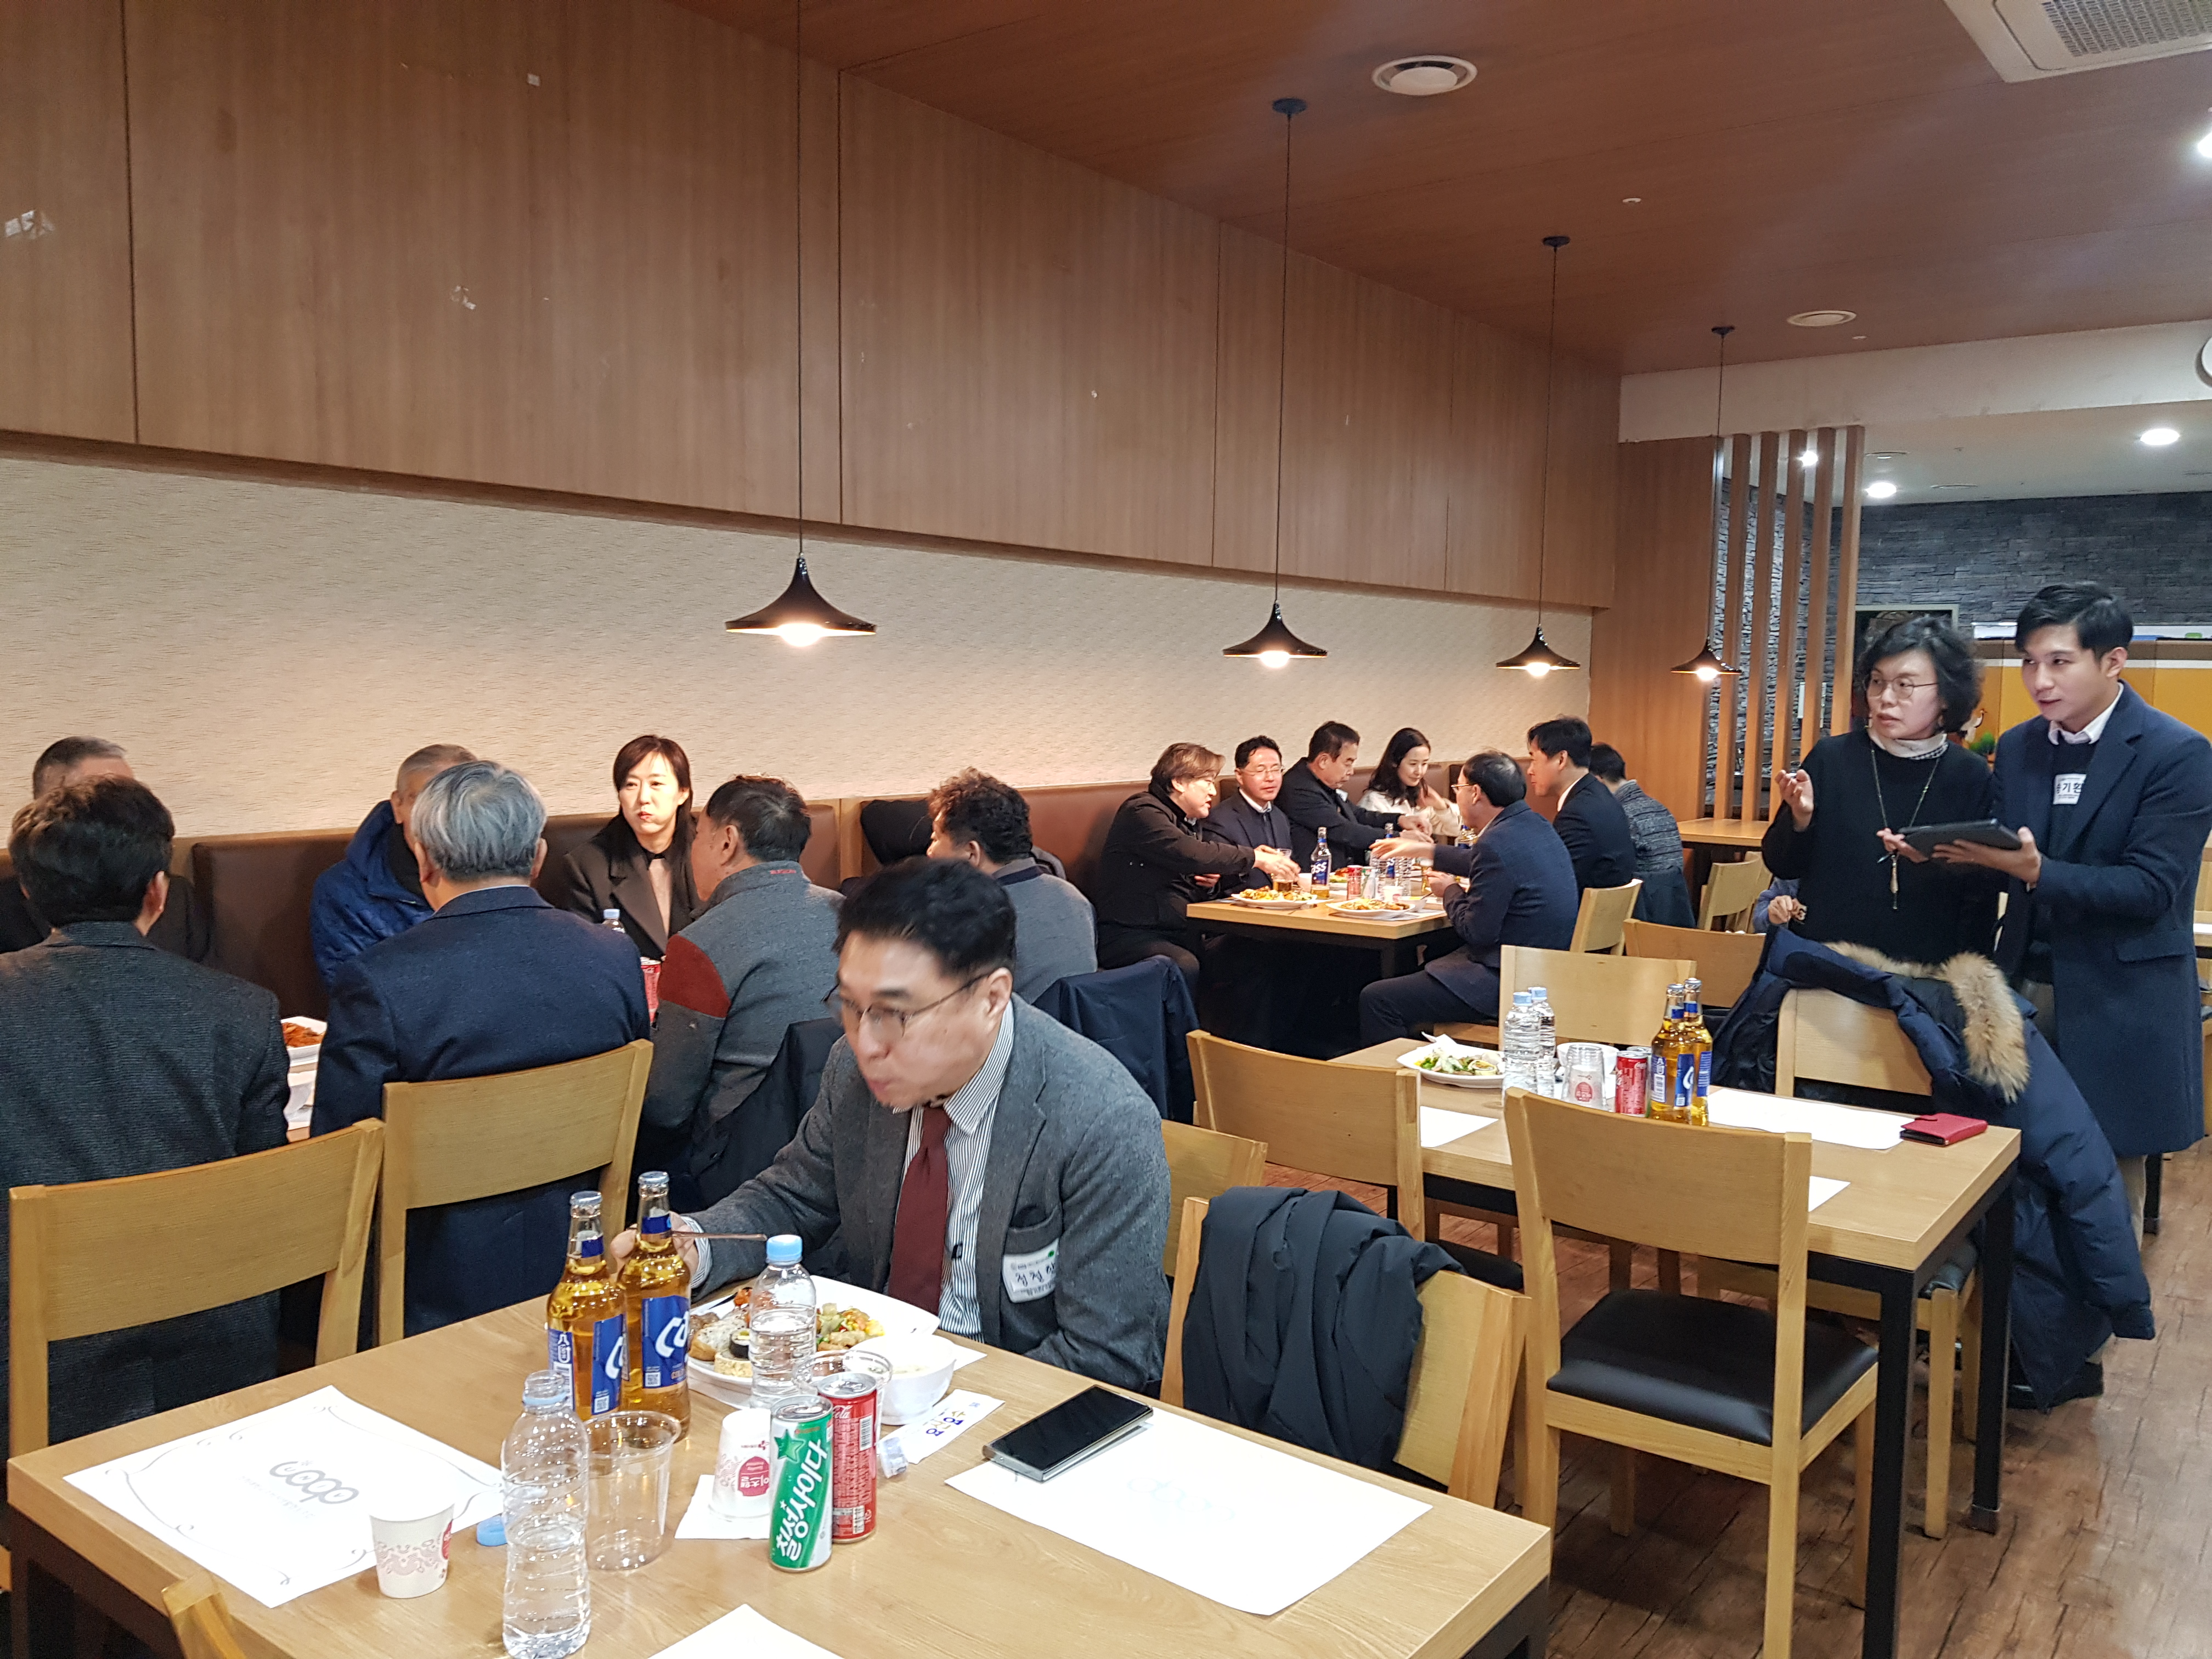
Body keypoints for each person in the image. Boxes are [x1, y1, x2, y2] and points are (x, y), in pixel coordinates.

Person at [615, 858, 1171, 1390]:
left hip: (1005, 1405)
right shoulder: (852, 1072)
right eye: (850, 1006)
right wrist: (694, 1246)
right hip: (864, 1385)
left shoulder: (1099, 1121)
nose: (865, 1043)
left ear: (991, 998)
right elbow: (792, 1199)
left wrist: (937, 1402)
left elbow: (1103, 1358)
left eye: (893, 1014)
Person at [312, 761, 648, 1335]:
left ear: (425, 860)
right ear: (538, 857)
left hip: (427, 1298)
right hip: (582, 1273)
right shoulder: (614, 958)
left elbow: (339, 1164)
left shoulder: (381, 981)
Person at [0, 777, 288, 1443]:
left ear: (30, 892)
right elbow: (268, 1195)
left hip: (34, 1360)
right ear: (158, 891)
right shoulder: (244, 1011)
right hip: (218, 1351)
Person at [1931, 583, 2212, 1238]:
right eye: (2030, 662)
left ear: (2113, 661)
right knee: (2008, 1163)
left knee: (2106, 1180)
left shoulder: (2176, 752)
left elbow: (2151, 889)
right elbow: (2007, 847)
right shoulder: (2022, 746)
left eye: (2059, 662)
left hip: (2121, 996)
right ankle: (2013, 1300)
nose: (2039, 680)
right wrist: (1945, 852)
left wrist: (2038, 873)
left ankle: (2100, 1303)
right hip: (2024, 984)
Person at [1762, 614, 1999, 965]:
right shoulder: (1831, 758)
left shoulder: (1971, 775)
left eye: (1905, 685)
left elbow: (1980, 894)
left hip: (1926, 971)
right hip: (1826, 963)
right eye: (1877, 682)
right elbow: (1782, 864)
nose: (1885, 698)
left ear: (1947, 696)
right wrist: (1801, 819)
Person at [643, 776, 842, 1144]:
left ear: (727, 843)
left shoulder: (700, 944)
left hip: (746, 1156)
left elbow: (666, 1106)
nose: (692, 849)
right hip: (847, 1138)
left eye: (698, 835)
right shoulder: (850, 915)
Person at [1358, 752, 1578, 1042]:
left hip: (1508, 979)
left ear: (1475, 793)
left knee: (1378, 998)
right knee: (1426, 967)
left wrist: (1449, 891)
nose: (1456, 797)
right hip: (1544, 969)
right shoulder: (1534, 824)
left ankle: (1395, 1072)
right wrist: (1425, 851)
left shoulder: (1496, 842)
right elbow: (1482, 861)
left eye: (1458, 789)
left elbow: (1477, 932)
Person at [1093, 743, 1297, 994]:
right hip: (1132, 934)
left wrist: (1210, 884)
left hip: (1182, 931)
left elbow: (1193, 867)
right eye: (1208, 782)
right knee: (1183, 965)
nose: (1213, 791)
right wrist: (1255, 857)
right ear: (1179, 782)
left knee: (1269, 949)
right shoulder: (1142, 811)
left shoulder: (1188, 821)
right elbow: (1189, 853)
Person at [2, 737, 208, 962]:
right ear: (46, 808)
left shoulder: (176, 895)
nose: (121, 811)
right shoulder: (7, 906)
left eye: (128, 797)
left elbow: (205, 977)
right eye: (93, 798)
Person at [310, 743, 477, 986]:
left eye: (457, 803)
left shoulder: (505, 871)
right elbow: (356, 994)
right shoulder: (345, 891)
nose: (440, 820)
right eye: (423, 803)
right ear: (398, 806)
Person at [926, 768, 1096, 1000]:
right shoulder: (1075, 898)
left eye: (936, 838)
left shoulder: (970, 918)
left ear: (971, 853)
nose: (930, 851)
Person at [560, 734, 705, 958]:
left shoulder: (714, 852)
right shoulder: (587, 865)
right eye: (631, 785)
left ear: (682, 793)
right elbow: (583, 955)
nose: (643, 798)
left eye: (656, 784)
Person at [1278, 723, 1424, 867]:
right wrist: (1398, 838)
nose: (1351, 771)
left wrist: (1400, 820)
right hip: (1315, 876)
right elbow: (1343, 830)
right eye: (1348, 763)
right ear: (1323, 761)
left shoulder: (1323, 783)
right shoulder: (1299, 788)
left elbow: (1357, 815)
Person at [1585, 742, 1695, 927]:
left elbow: (1611, 875)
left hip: (1641, 917)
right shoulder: (1659, 807)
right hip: (1675, 913)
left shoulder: (1620, 815)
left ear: (1597, 780)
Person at [1524, 717, 1637, 895]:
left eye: (1534, 760)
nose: (1530, 770)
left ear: (1561, 759)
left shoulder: (1576, 814)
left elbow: (1559, 883)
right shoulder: (1601, 793)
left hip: (1584, 909)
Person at [1206, 736, 1296, 894]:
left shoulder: (1280, 817)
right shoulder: (1219, 820)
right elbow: (1219, 880)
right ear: (1240, 776)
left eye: (1276, 770)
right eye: (1260, 771)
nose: (1270, 778)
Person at [1358, 727, 1462, 842]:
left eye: (1424, 764)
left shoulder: (1420, 796)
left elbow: (1458, 830)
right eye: (1413, 764)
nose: (1419, 771)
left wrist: (1441, 806)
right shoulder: (1375, 801)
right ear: (1394, 763)